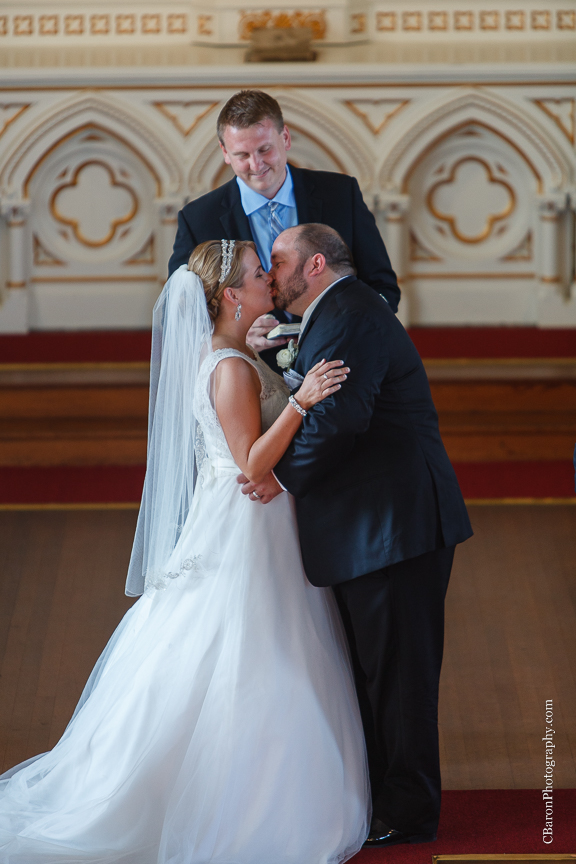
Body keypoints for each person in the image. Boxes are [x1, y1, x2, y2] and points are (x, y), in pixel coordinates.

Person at [0, 239, 370, 863]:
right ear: (230, 296)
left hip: (253, 518)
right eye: (258, 276)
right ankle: (244, 800)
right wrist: (302, 401)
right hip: (248, 524)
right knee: (251, 648)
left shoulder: (231, 353)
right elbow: (251, 461)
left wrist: (270, 365)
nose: (268, 284)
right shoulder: (227, 367)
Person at [239, 223, 474, 847]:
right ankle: (386, 801)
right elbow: (313, 395)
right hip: (378, 524)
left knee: (400, 678)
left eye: (280, 260)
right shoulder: (336, 311)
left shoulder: (350, 313)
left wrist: (279, 477)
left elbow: (341, 421)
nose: (270, 270)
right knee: (380, 671)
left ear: (314, 264)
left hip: (394, 527)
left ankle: (409, 813)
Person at [168, 89, 400, 369]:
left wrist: (346, 331)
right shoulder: (198, 218)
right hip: (250, 372)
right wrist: (231, 336)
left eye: (265, 149)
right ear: (224, 153)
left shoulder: (341, 194)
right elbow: (181, 312)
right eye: (242, 154)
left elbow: (383, 288)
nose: (257, 165)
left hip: (343, 364)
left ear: (285, 138)